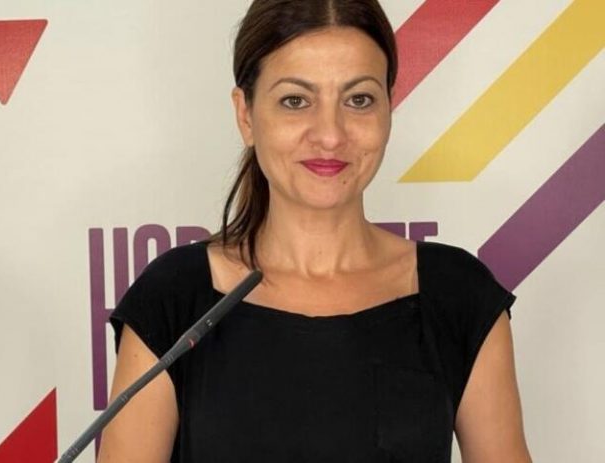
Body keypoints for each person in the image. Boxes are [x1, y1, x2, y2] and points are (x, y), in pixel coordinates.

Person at [99, 0, 532, 461]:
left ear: (389, 108)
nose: (330, 135)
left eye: (358, 100)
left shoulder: (458, 295)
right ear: (245, 115)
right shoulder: (174, 298)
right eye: (295, 101)